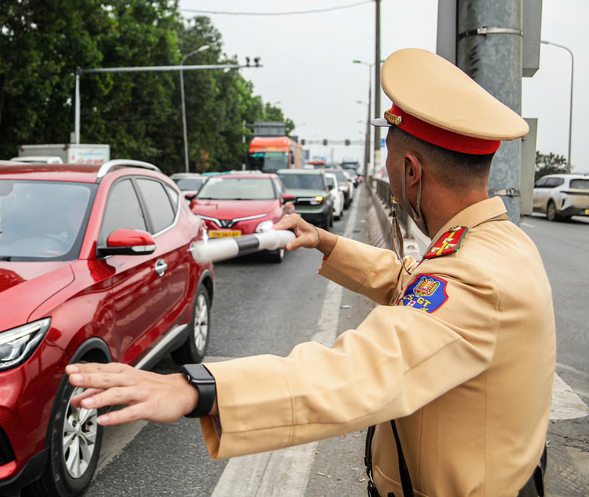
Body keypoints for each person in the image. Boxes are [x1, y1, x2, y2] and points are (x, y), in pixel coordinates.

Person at [65, 48, 555, 497]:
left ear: (411, 171)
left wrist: (195, 388)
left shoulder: (476, 278)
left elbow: (361, 370)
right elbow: (414, 282)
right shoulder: (496, 243)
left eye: (387, 161)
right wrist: (326, 242)